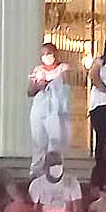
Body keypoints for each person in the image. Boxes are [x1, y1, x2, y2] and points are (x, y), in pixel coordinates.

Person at [27, 42, 72, 170]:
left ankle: (55, 171)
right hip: (39, 111)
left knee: (55, 144)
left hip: (57, 112)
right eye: (43, 54)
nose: (46, 56)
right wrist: (37, 85)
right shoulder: (37, 70)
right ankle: (36, 173)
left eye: (49, 53)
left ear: (55, 54)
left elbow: (65, 82)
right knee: (39, 144)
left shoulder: (63, 68)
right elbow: (30, 91)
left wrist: (47, 82)